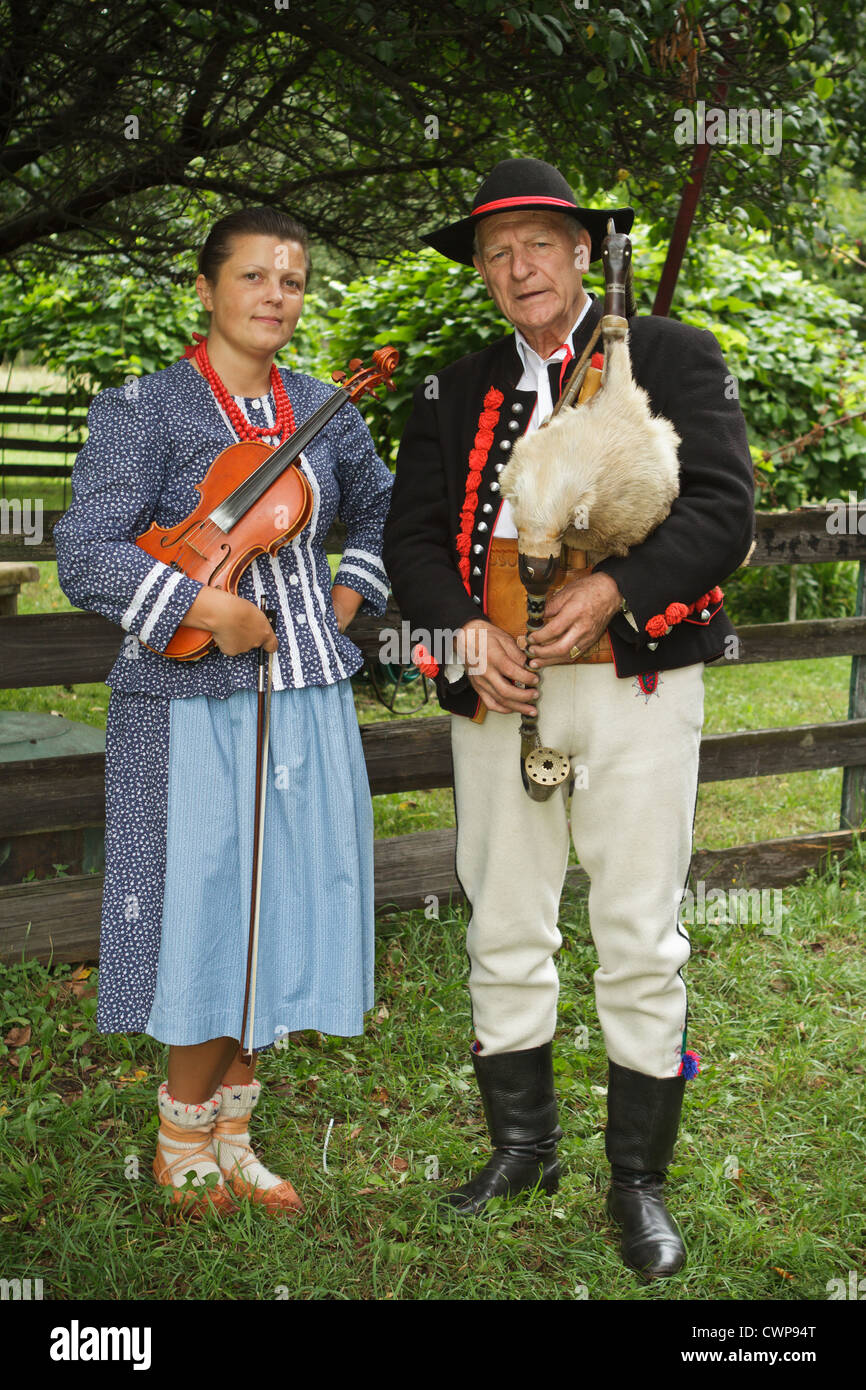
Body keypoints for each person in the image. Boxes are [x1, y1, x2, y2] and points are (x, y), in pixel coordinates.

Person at [383, 159, 755, 1277]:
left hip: (636, 683)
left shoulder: (674, 355)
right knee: (503, 919)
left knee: (637, 930)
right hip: (500, 687)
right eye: (497, 254)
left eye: (538, 243)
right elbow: (410, 538)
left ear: (581, 252)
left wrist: (618, 590)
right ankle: (522, 1150)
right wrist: (458, 630)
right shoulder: (454, 386)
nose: (517, 268)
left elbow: (722, 510)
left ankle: (635, 1181)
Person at [54, 207, 393, 1218]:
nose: (273, 297)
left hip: (304, 696)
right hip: (186, 695)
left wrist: (339, 605)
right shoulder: (144, 408)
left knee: (275, 903)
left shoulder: (324, 403)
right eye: (252, 277)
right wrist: (203, 607)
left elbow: (379, 506)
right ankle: (178, 1138)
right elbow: (85, 550)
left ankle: (232, 1134)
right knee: (202, 907)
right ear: (206, 289)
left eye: (290, 280)